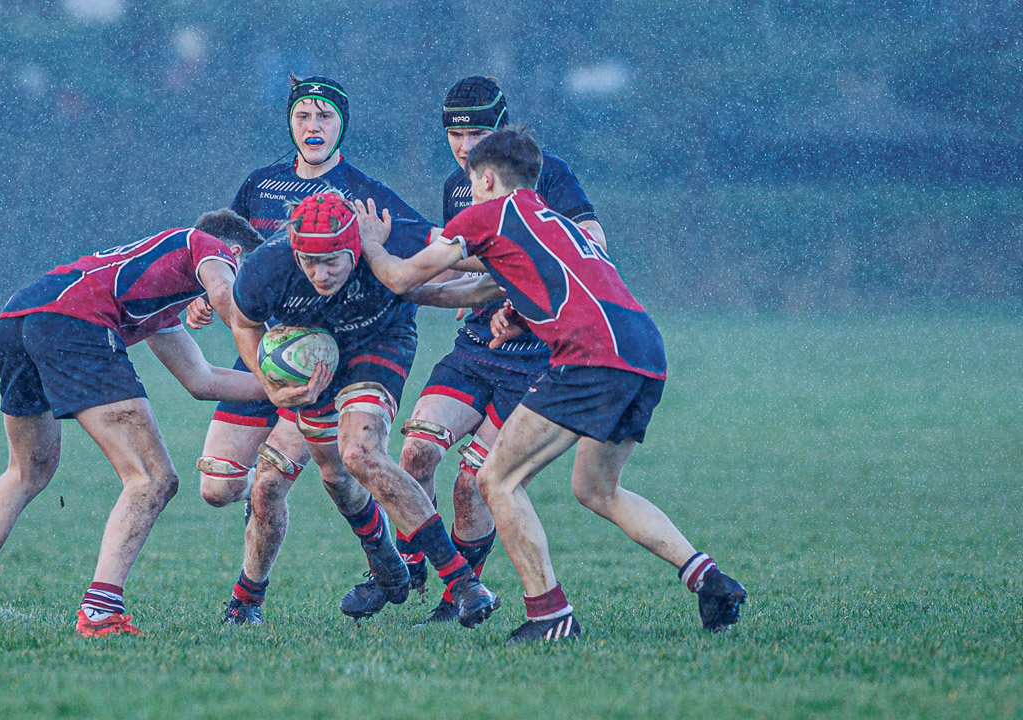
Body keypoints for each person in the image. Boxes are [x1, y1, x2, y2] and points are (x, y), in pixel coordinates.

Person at [355, 127, 747, 645]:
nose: (469, 192)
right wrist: (519, 316)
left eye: (472, 182)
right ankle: (710, 580)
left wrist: (370, 244)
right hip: (644, 351)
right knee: (597, 489)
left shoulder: (489, 214)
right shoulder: (556, 224)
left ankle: (550, 616)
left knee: (495, 480)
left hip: (591, 359)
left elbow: (403, 278)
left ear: (487, 178)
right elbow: (491, 287)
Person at [0, 210, 273, 637]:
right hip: (75, 319)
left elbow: (202, 380)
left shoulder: (158, 298)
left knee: (25, 473)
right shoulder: (207, 245)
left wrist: (284, 388)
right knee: (152, 479)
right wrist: (273, 353)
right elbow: (225, 294)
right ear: (234, 253)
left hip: (21, 316)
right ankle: (101, 611)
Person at [190, 74, 425, 626]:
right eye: (302, 116)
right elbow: (228, 256)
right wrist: (206, 299)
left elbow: (424, 248)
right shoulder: (260, 186)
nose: (312, 127)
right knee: (219, 488)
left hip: (325, 363)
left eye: (323, 116)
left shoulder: (365, 193)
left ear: (342, 123)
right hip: (265, 354)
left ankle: (246, 603)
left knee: (273, 484)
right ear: (290, 122)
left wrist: (483, 272)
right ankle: (381, 552)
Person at [378, 76, 614, 623]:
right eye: (454, 134)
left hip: (535, 358)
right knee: (414, 453)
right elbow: (466, 260)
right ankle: (413, 560)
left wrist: (520, 288)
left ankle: (462, 592)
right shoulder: (455, 183)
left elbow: (592, 244)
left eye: (476, 132)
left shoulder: (546, 172)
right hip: (477, 345)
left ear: (501, 128)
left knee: (471, 484)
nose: (463, 146)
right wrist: (429, 288)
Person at [224, 192, 503, 629]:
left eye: (332, 261)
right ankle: (382, 555)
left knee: (360, 453)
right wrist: (268, 383)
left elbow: (481, 254)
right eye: (309, 262)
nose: (320, 273)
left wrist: (524, 273)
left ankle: (464, 584)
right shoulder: (268, 267)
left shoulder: (392, 234)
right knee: (335, 476)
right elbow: (244, 322)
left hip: (380, 344)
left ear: (355, 244)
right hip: (314, 358)